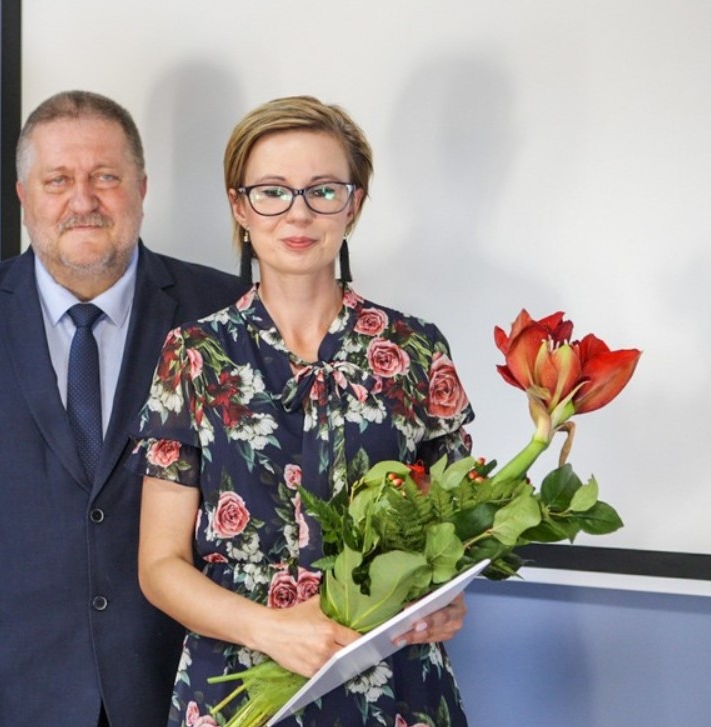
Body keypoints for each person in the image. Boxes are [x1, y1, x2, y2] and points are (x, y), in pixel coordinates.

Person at [0, 90, 246, 727]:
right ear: (23, 195)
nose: (82, 201)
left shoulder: (225, 312)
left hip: (181, 690)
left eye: (105, 177)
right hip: (1, 692)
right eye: (57, 180)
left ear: (142, 189)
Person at [135, 96, 475, 726]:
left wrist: (446, 603)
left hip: (392, 679)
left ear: (354, 204)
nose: (298, 213)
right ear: (240, 207)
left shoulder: (416, 349)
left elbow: (452, 536)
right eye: (272, 191)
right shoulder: (194, 354)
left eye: (322, 191)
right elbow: (159, 566)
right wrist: (270, 630)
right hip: (239, 681)